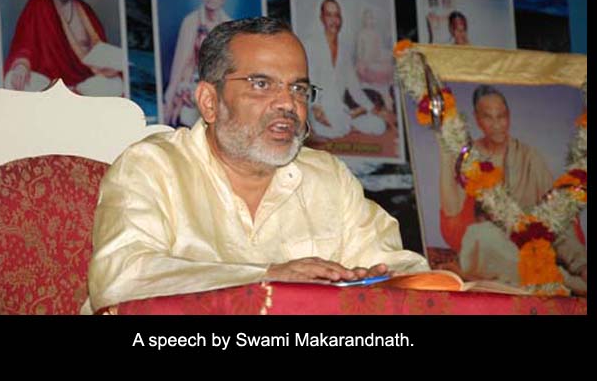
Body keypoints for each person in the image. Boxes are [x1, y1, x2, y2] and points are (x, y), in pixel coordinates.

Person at [83, 17, 429, 314]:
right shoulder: (150, 167)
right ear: (209, 101)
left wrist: (388, 281)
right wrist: (266, 277)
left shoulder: (329, 178)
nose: (287, 103)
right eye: (262, 84)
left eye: (298, 88)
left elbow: (400, 266)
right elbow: (120, 278)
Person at [438, 85, 587, 293]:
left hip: (532, 235)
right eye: (488, 117)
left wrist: (578, 259)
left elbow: (555, 208)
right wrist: (446, 152)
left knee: (557, 226)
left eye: (502, 116)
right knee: (482, 235)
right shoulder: (469, 157)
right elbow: (452, 211)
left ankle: (580, 272)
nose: (497, 124)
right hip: (492, 243)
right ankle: (567, 283)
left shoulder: (528, 156)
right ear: (477, 119)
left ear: (509, 116)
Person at [3, 0, 123, 96]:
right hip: (47, 79)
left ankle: (72, 93)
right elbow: (24, 44)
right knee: (12, 79)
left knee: (117, 84)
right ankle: (68, 96)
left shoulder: (84, 9)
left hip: (83, 78)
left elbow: (100, 48)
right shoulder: (36, 5)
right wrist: (21, 66)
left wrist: (107, 67)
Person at [303, 0, 389, 140]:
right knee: (331, 128)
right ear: (322, 18)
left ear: (341, 19)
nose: (334, 20)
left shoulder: (344, 49)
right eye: (329, 15)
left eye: (337, 15)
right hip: (317, 109)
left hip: (340, 110)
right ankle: (348, 121)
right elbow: (308, 82)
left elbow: (354, 88)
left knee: (379, 125)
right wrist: (316, 108)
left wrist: (372, 108)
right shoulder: (311, 45)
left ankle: (350, 120)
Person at [163, 0, 232, 127]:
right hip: (192, 87)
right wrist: (172, 94)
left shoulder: (230, 25)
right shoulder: (190, 21)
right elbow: (180, 64)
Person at [354, 8, 395, 113]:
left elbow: (380, 48)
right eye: (368, 18)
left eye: (372, 18)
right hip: (366, 61)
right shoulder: (361, 34)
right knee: (367, 68)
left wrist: (382, 55)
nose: (370, 20)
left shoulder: (376, 33)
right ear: (364, 20)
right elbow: (359, 52)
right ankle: (384, 97)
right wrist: (365, 59)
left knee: (388, 61)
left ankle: (387, 99)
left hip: (376, 59)